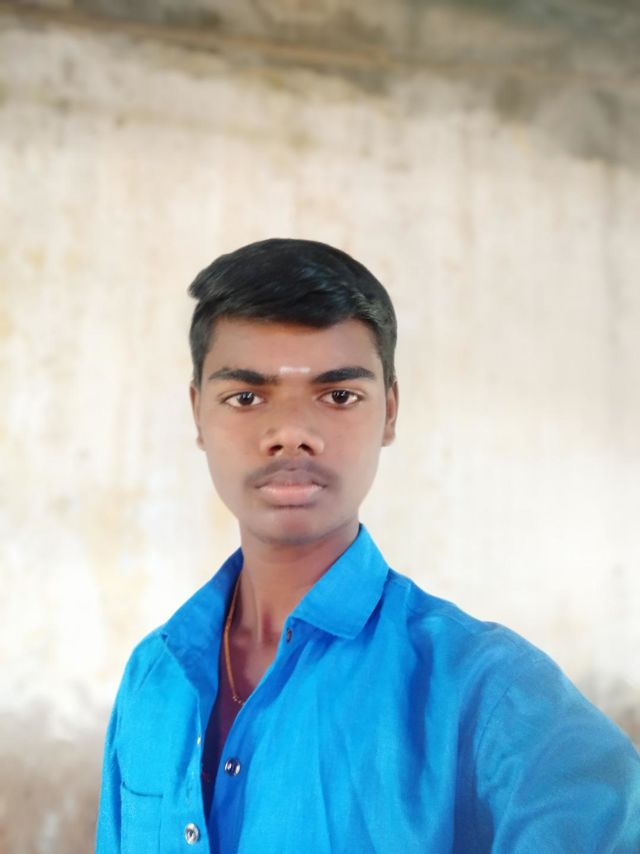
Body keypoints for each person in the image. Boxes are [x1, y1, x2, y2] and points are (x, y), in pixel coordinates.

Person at [96, 238, 640, 853]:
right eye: (245, 397)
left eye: (338, 396)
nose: (291, 433)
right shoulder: (154, 676)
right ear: (198, 412)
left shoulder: (487, 692)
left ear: (390, 411)